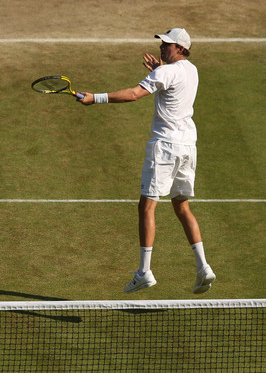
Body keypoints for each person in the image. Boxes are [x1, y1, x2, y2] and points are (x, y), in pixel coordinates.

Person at [78, 28, 216, 294]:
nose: (162, 47)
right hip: (188, 147)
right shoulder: (192, 70)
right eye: (163, 44)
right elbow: (171, 80)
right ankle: (203, 267)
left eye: (167, 45)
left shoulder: (164, 72)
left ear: (180, 48)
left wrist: (95, 98)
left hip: (165, 148)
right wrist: (161, 68)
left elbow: (133, 94)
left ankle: (144, 272)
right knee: (182, 207)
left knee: (146, 207)